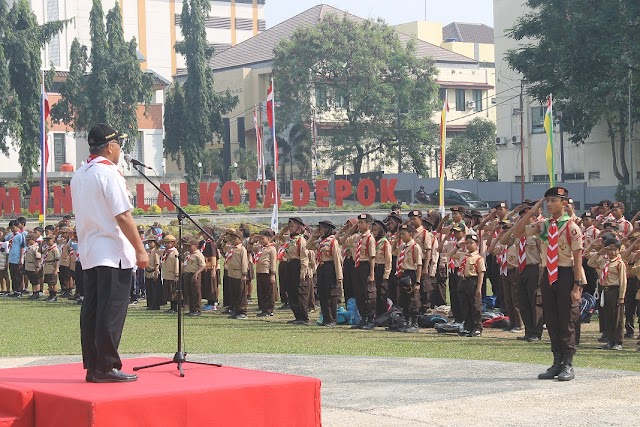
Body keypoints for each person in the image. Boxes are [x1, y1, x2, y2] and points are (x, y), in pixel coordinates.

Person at [71, 123, 149, 383]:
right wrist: (140, 249)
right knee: (111, 310)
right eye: (119, 145)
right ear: (111, 147)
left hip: (90, 251)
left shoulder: (80, 173)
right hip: (112, 251)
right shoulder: (109, 173)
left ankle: (94, 366)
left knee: (92, 309)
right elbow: (123, 215)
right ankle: (107, 366)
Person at [513, 187, 583, 382]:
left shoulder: (571, 227)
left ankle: (568, 363)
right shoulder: (544, 225)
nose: (550, 204)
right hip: (548, 275)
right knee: (551, 319)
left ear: (564, 203)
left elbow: (577, 258)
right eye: (547, 201)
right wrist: (532, 210)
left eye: (554, 200)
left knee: (566, 319)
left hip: (566, 274)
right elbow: (518, 232)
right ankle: (557, 361)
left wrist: (577, 286)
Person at [586, 233, 626, 350]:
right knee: (607, 316)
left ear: (619, 250)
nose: (613, 252)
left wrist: (621, 296)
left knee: (617, 317)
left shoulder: (619, 263)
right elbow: (590, 263)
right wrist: (599, 253)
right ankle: (610, 340)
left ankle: (618, 342)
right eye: (610, 249)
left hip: (615, 290)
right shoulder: (604, 261)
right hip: (605, 290)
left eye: (615, 250)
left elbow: (623, 281)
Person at [341, 214, 377, 330]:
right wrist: (351, 229)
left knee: (368, 294)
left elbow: (372, 257)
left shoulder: (370, 238)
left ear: (368, 224)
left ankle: (371, 319)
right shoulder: (357, 237)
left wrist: (371, 274)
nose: (360, 225)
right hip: (356, 266)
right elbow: (342, 241)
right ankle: (363, 318)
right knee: (358, 293)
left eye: (362, 223)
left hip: (365, 266)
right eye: (359, 223)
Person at [308, 221, 343, 326]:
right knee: (322, 294)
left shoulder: (332, 242)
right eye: (320, 229)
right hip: (321, 268)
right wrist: (314, 234)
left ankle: (332, 319)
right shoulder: (320, 241)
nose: (321, 231)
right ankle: (326, 318)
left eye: (323, 229)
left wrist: (339, 277)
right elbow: (308, 246)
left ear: (328, 230)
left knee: (330, 295)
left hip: (330, 268)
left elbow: (337, 260)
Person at [451, 234, 486, 337]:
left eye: (471, 243)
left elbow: (481, 273)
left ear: (477, 245)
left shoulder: (478, 258)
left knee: (475, 306)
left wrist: (479, 288)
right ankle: (468, 327)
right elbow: (450, 254)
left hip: (473, 281)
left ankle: (477, 327)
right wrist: (458, 246)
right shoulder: (463, 255)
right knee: (464, 305)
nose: (469, 245)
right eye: (467, 243)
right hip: (463, 281)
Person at [394, 224, 422, 333]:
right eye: (400, 234)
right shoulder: (402, 246)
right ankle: (407, 321)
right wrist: (396, 240)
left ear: (410, 234)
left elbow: (419, 264)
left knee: (413, 299)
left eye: (403, 234)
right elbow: (393, 251)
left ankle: (414, 323)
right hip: (402, 273)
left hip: (411, 273)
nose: (401, 236)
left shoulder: (415, 247)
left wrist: (418, 281)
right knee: (404, 299)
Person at [224, 229, 249, 319]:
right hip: (231, 273)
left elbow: (244, 262)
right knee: (233, 293)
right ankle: (236, 310)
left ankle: (242, 311)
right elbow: (223, 248)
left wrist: (244, 273)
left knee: (240, 293)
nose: (233, 240)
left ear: (240, 239)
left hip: (239, 274)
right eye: (232, 238)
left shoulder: (242, 249)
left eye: (235, 238)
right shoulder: (231, 248)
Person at [254, 229, 277, 317]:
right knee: (261, 291)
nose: (260, 241)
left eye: (262, 239)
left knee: (269, 291)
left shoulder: (271, 248)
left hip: (267, 272)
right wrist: (253, 240)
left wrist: (273, 274)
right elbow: (250, 248)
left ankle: (269, 309)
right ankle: (263, 308)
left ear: (268, 238)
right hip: (260, 271)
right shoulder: (260, 248)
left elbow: (273, 262)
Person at [182, 236, 206, 316]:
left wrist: (196, 273)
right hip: (187, 274)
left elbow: (203, 265)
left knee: (195, 292)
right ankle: (191, 309)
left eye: (190, 246)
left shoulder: (198, 254)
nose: (188, 247)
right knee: (189, 292)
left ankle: (197, 310)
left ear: (195, 246)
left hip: (194, 274)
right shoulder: (188, 254)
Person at [372, 219, 392, 317]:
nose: (374, 232)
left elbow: (388, 261)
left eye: (376, 230)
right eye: (373, 230)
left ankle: (382, 315)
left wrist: (386, 275)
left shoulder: (385, 243)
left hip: (381, 269)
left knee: (382, 294)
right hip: (374, 268)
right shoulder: (372, 242)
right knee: (374, 293)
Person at [5, 220, 25, 298]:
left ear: (17, 226)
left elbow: (22, 247)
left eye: (13, 227)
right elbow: (3, 240)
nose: (12, 229)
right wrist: (6, 231)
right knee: (13, 275)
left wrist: (21, 259)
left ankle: (19, 291)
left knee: (18, 275)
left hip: (17, 258)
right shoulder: (10, 235)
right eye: (11, 228)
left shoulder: (20, 235)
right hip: (11, 258)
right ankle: (15, 290)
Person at [161, 235, 180, 313]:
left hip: (172, 275)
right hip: (166, 275)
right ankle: (171, 307)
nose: (166, 245)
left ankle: (175, 307)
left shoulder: (175, 252)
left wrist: (176, 274)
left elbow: (176, 264)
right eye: (165, 243)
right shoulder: (165, 252)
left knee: (173, 291)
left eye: (169, 243)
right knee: (168, 292)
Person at [144, 236, 162, 310]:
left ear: (155, 243)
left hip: (153, 271)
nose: (150, 243)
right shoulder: (147, 251)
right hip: (147, 271)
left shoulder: (156, 251)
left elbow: (157, 263)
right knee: (149, 289)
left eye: (151, 242)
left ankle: (155, 305)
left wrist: (156, 273)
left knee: (155, 290)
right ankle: (150, 304)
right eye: (149, 242)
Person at [42, 235, 60, 302]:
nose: (47, 242)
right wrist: (42, 244)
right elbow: (41, 251)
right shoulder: (48, 248)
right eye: (46, 240)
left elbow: (57, 260)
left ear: (53, 240)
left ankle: (54, 296)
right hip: (47, 267)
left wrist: (56, 269)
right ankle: (50, 295)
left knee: (53, 283)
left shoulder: (55, 249)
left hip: (52, 267)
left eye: (49, 240)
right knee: (49, 282)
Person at [23, 234, 42, 300]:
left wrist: (37, 267)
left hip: (33, 266)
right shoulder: (30, 247)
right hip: (28, 266)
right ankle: (34, 292)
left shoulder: (36, 248)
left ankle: (37, 292)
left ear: (33, 240)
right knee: (32, 280)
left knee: (36, 280)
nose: (27, 241)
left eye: (29, 240)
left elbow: (38, 257)